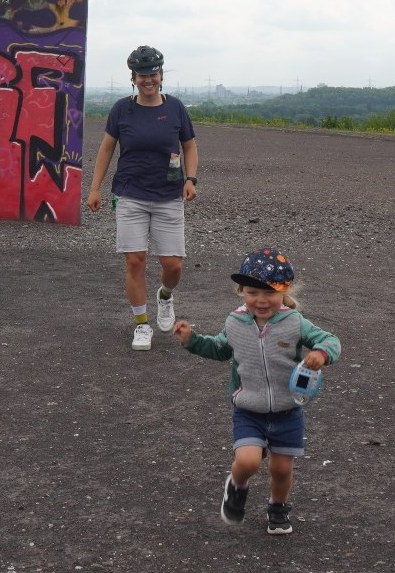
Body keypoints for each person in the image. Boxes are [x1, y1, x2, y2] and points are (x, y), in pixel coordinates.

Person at [172, 247, 342, 535]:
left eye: (269, 293)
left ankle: (278, 507)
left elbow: (330, 340)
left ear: (284, 291)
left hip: (288, 409)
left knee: (281, 469)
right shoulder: (234, 323)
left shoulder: (294, 322)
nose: (261, 300)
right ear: (241, 291)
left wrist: (322, 355)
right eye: (252, 292)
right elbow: (218, 349)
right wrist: (192, 340)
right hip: (248, 409)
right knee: (248, 461)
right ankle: (236, 486)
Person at [86, 45, 198, 350]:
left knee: (173, 265)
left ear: (161, 76)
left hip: (168, 194)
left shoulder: (175, 108)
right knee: (135, 260)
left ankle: (164, 295)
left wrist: (190, 178)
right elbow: (107, 148)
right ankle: (141, 324)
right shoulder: (122, 109)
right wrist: (95, 187)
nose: (148, 79)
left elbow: (189, 145)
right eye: (142, 75)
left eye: (153, 74)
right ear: (133, 78)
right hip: (130, 193)